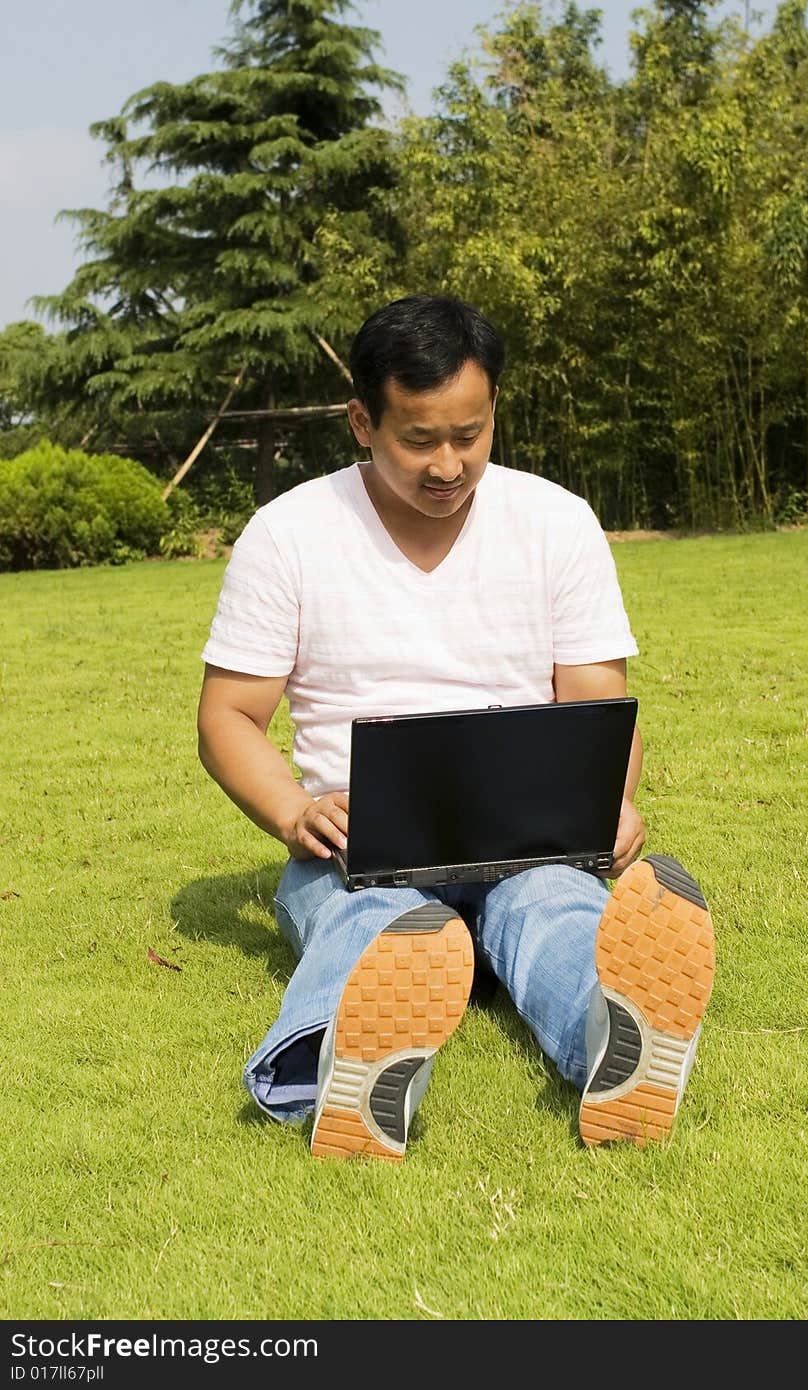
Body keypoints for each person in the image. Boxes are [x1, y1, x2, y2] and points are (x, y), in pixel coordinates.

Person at [196, 294, 715, 1162]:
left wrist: (606, 806)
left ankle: (617, 1050)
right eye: (419, 439)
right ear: (363, 420)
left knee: (554, 906)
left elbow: (593, 700)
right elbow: (228, 716)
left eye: (469, 436)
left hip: (530, 840)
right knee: (376, 922)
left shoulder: (556, 521)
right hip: (357, 849)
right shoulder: (287, 536)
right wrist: (294, 813)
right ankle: (330, 1081)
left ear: (494, 412)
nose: (448, 464)